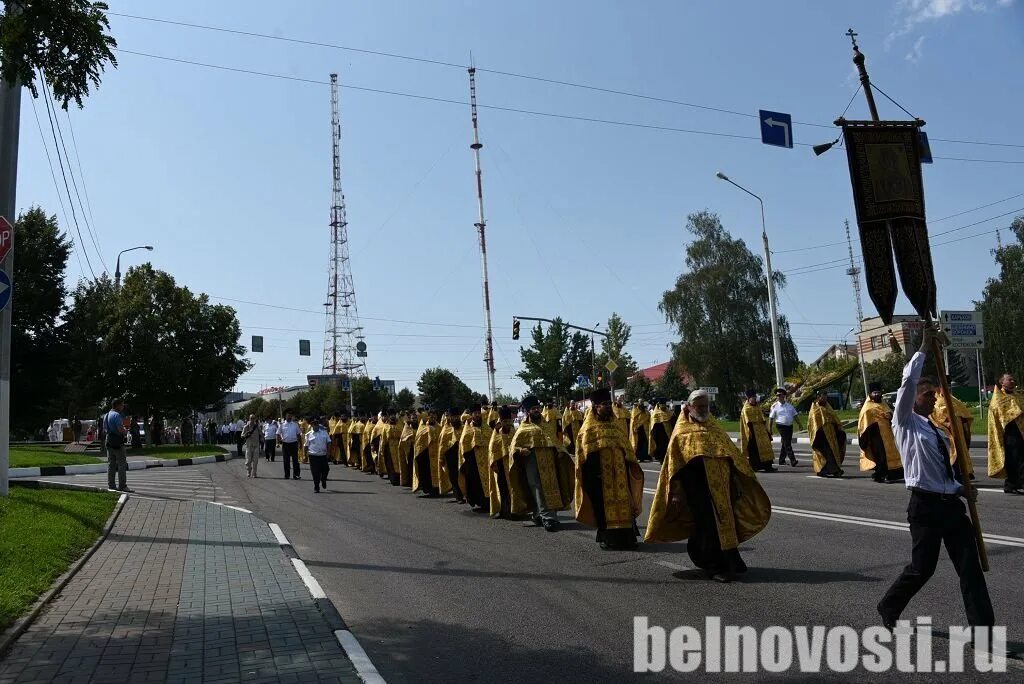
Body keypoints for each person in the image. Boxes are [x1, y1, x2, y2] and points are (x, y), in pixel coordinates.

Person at [877, 326, 994, 629]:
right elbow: (907, 381)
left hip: (950, 507)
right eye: (928, 394)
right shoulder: (904, 422)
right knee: (922, 569)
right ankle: (889, 606)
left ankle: (984, 633)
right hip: (925, 508)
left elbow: (942, 475)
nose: (933, 399)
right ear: (913, 397)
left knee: (970, 569)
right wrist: (925, 347)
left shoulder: (936, 430)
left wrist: (961, 490)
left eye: (934, 394)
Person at [645, 390, 772, 582]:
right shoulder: (681, 432)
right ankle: (714, 566)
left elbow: (732, 457)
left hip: (722, 486)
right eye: (699, 406)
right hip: (697, 488)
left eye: (706, 406)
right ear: (688, 408)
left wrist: (736, 481)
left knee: (724, 523)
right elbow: (674, 466)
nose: (703, 410)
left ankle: (729, 562)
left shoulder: (714, 428)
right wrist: (678, 492)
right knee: (707, 526)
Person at [576, 388, 644, 549]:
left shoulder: (616, 427)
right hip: (599, 476)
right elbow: (584, 455)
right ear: (595, 406)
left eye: (609, 404)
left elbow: (626, 449)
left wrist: (629, 465)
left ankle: (628, 538)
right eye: (604, 404)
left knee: (624, 503)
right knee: (603, 507)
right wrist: (594, 474)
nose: (608, 407)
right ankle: (608, 539)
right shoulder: (588, 429)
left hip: (620, 474)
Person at [509, 396, 575, 531]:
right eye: (533, 409)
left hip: (550, 464)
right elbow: (513, 447)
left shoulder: (546, 426)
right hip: (532, 462)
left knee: (552, 487)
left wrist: (560, 451)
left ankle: (541, 515)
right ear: (528, 412)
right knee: (537, 488)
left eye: (537, 408)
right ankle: (548, 518)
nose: (536, 411)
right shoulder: (523, 428)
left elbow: (556, 442)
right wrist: (521, 450)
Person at [859, 382, 905, 484]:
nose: (876, 394)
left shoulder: (884, 404)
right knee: (881, 456)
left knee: (891, 455)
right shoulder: (867, 407)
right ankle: (882, 475)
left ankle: (890, 475)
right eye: (874, 393)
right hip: (876, 436)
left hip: (888, 435)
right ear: (870, 394)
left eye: (878, 392)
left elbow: (892, 416)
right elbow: (864, 423)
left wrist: (889, 416)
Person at [987, 373, 1024, 495]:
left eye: (1013, 379)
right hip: (1009, 432)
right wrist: (1017, 412)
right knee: (1013, 459)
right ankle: (1011, 484)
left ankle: (1016, 483)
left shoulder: (1017, 395)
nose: (1012, 381)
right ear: (1002, 382)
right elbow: (1000, 412)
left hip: (1021, 431)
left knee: (1021, 458)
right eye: (1009, 379)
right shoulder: (999, 397)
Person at [459, 406, 490, 511]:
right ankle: (480, 503)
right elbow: (463, 442)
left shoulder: (487, 427)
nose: (477, 415)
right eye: (475, 413)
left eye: (478, 413)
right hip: (473, 460)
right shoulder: (468, 428)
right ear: (471, 415)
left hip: (486, 459)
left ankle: (488, 503)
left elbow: (492, 440)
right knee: (476, 482)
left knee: (488, 481)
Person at [808, 392, 845, 478]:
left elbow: (834, 418)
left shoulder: (828, 407)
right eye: (822, 396)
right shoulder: (815, 408)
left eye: (825, 396)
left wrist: (838, 428)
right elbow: (813, 423)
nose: (824, 398)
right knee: (827, 453)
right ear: (818, 397)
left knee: (832, 452)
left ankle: (826, 470)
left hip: (831, 434)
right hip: (821, 435)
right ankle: (834, 471)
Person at [488, 405, 516, 518]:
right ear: (501, 421)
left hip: (513, 465)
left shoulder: (514, 431)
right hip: (500, 466)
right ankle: (503, 510)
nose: (507, 423)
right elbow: (492, 448)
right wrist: (494, 463)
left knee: (514, 488)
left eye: (509, 421)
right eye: (505, 421)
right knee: (502, 489)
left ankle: (515, 510)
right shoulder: (497, 433)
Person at [740, 390, 777, 473]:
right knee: (754, 450)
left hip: (762, 431)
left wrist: (767, 431)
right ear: (748, 399)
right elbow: (747, 422)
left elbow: (763, 419)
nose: (754, 399)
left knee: (767, 447)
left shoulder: (758, 407)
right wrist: (750, 433)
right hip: (752, 433)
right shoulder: (746, 408)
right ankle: (755, 467)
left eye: (755, 397)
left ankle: (768, 466)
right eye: (752, 398)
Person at [413, 411, 446, 497]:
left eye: (434, 416)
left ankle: (437, 488)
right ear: (428, 417)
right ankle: (428, 488)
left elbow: (443, 440)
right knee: (427, 472)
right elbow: (418, 441)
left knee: (437, 472)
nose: (432, 418)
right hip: (426, 454)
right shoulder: (423, 427)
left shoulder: (440, 427)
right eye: (430, 416)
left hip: (436, 453)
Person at [104, 400, 132, 492]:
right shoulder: (117, 415)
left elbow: (105, 429)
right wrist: (126, 431)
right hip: (117, 441)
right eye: (122, 405)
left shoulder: (106, 415)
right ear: (118, 406)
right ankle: (122, 486)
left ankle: (111, 485)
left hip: (108, 440)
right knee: (121, 464)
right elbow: (120, 429)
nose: (123, 407)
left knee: (111, 464)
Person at [439, 409, 465, 503]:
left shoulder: (463, 427)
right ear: (450, 417)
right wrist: (441, 457)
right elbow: (442, 444)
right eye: (453, 417)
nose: (455, 418)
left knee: (463, 474)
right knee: (454, 476)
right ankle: (459, 496)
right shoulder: (445, 429)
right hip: (451, 456)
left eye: (457, 417)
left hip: (461, 454)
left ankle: (464, 493)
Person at [768, 388, 799, 467]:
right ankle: (793, 460)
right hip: (781, 426)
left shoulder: (789, 405)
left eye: (780, 395)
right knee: (787, 443)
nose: (778, 396)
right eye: (777, 395)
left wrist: (799, 424)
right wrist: (770, 429)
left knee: (785, 443)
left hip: (789, 426)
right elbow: (771, 418)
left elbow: (795, 415)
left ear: (784, 396)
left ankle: (781, 460)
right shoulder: (774, 406)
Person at [305, 417, 331, 493]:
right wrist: (305, 455)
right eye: (314, 424)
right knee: (315, 472)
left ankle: (323, 479)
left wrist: (328, 452)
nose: (315, 426)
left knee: (326, 469)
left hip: (323, 455)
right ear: (312, 425)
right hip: (313, 456)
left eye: (317, 424)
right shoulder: (309, 435)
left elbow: (329, 442)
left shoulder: (324, 432)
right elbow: (306, 445)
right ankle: (316, 486)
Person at [277, 412, 302, 480]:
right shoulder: (282, 425)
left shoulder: (295, 424)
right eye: (287, 415)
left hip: (294, 443)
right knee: (286, 460)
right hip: (285, 444)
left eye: (290, 415)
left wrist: (300, 444)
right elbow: (278, 434)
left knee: (295, 460)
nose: (289, 416)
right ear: (285, 416)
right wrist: (278, 443)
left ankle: (296, 474)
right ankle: (287, 475)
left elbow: (298, 434)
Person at [648, 398, 674, 463]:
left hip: (667, 434)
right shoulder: (655, 413)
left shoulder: (668, 412)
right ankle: (661, 459)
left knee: (667, 446)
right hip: (659, 434)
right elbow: (653, 424)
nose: (663, 406)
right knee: (660, 447)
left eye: (664, 405)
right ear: (659, 405)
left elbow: (672, 420)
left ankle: (667, 458)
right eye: (662, 405)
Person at [399, 412, 417, 488]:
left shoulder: (420, 426)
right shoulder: (407, 426)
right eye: (412, 418)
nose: (414, 420)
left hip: (418, 448)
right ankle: (410, 481)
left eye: (415, 418)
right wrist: (411, 437)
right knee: (410, 465)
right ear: (410, 418)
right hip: (409, 449)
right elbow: (403, 437)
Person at [242, 414, 261, 478]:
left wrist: (263, 439)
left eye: (253, 418)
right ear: (249, 419)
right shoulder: (246, 427)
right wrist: (246, 434)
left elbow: (261, 434)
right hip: (249, 446)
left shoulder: (257, 426)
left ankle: (254, 473)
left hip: (256, 445)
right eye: (251, 418)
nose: (252, 419)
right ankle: (249, 470)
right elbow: (242, 435)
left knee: (255, 461)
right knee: (248, 461)